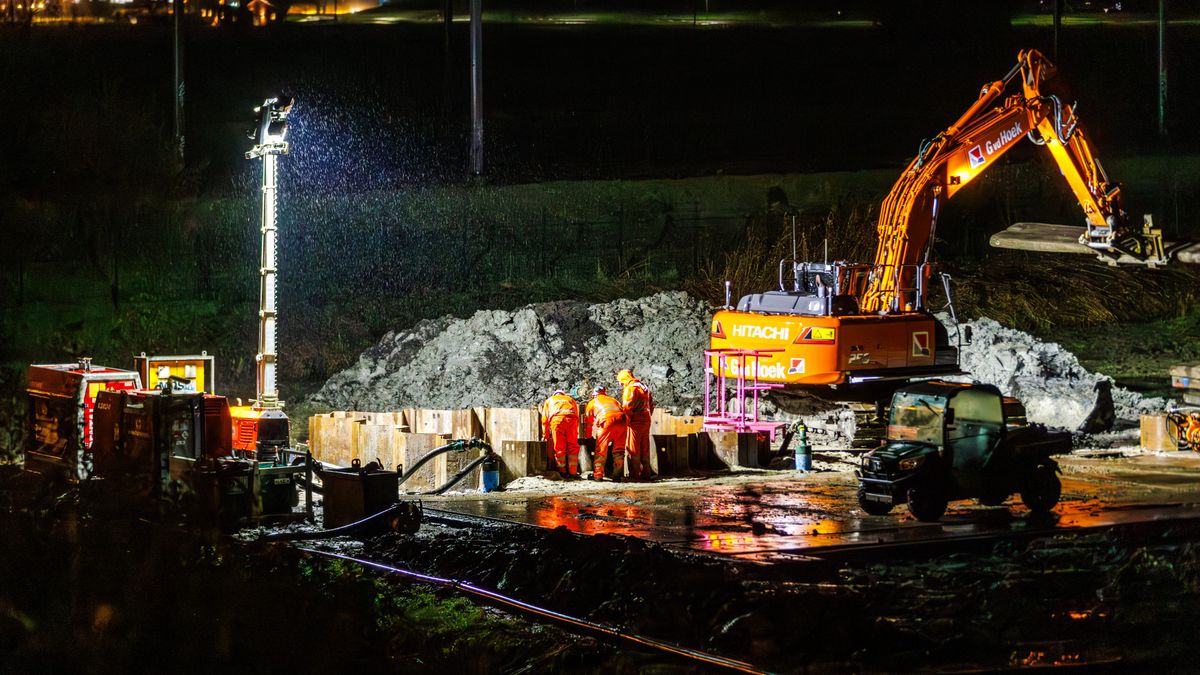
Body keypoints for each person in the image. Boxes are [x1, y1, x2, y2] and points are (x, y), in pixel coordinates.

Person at [617, 369, 654, 480]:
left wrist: (626, 421)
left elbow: (627, 407)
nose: (620, 384)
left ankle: (634, 475)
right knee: (644, 447)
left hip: (635, 421)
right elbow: (651, 404)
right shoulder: (644, 387)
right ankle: (646, 474)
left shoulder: (630, 388)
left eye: (620, 381)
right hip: (646, 420)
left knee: (633, 448)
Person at [584, 386, 627, 481]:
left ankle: (598, 475)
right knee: (619, 450)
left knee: (601, 450)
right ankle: (617, 475)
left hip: (607, 421)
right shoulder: (614, 400)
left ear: (595, 394)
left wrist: (588, 436)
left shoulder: (592, 402)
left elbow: (588, 423)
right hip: (622, 421)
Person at [539, 389, 581, 478]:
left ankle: (563, 472)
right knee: (573, 446)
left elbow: (544, 420)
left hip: (557, 421)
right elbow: (577, 415)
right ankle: (573, 472)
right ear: (563, 394)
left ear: (555, 394)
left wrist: (545, 435)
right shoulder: (570, 399)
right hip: (572, 420)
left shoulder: (550, 400)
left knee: (559, 447)